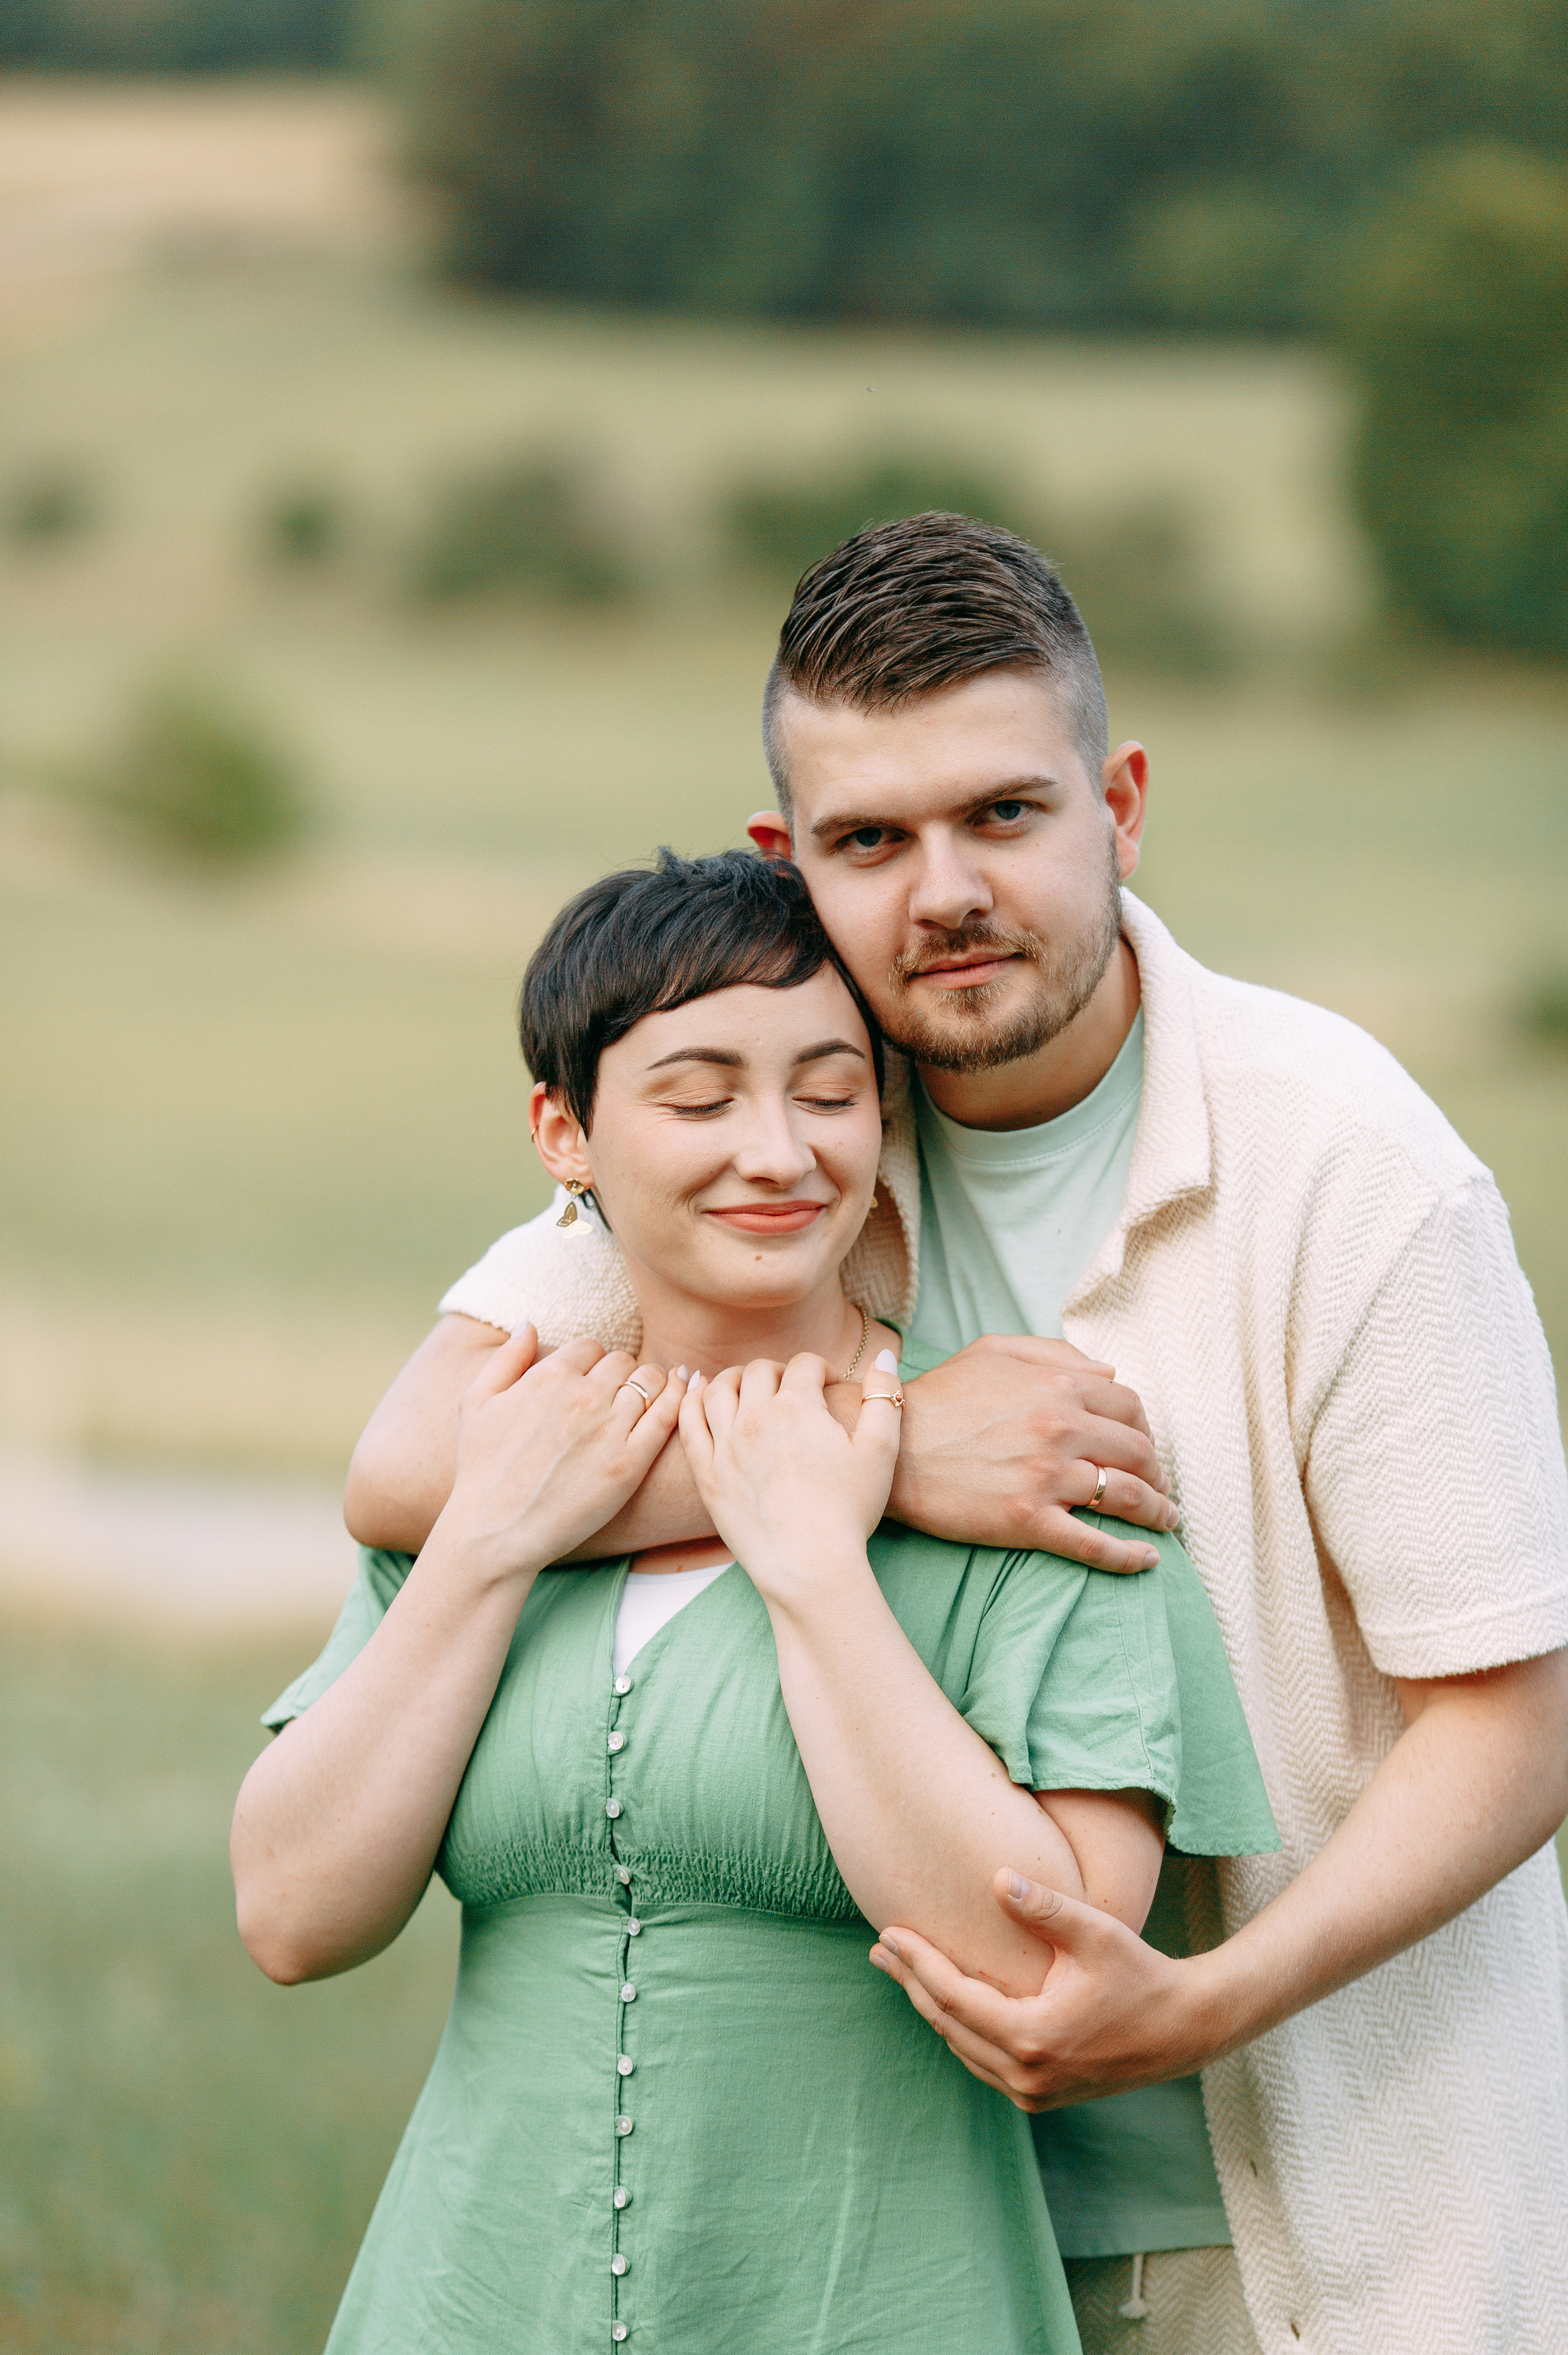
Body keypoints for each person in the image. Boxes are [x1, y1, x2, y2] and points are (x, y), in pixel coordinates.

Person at [345, 513, 1568, 2355]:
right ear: (791, 858)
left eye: (1005, 815)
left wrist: (1208, 2000)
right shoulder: (794, 1117)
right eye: (870, 840)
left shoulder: (1355, 1171)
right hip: (888, 2242)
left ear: (1121, 804)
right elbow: (419, 1460)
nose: (945, 895)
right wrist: (896, 1450)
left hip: (1273, 2235)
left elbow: (1519, 1713)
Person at [231, 850, 1275, 2355]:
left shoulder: (1035, 1483)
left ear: (888, 1116)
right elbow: (290, 1915)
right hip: (462, 2306)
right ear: (564, 1133)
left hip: (877, 2312)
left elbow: (1044, 1970)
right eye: (698, 1096)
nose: (775, 1151)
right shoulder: (503, 1464)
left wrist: (812, 1571)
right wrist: (479, 1552)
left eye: (829, 1090)